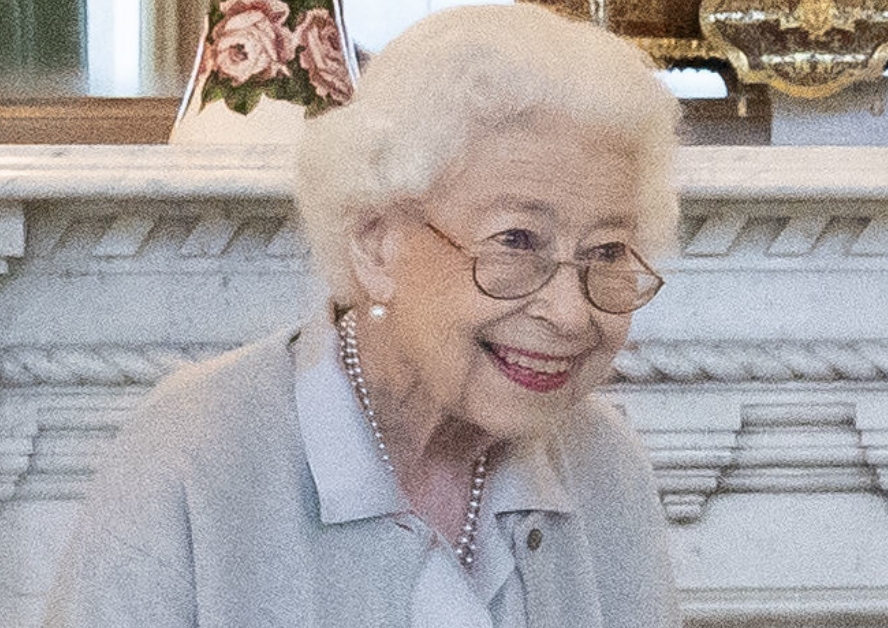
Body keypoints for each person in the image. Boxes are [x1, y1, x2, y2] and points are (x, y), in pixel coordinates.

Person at [42, 4, 682, 627]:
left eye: (606, 252)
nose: (571, 314)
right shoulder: (195, 452)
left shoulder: (605, 465)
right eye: (515, 241)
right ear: (378, 243)